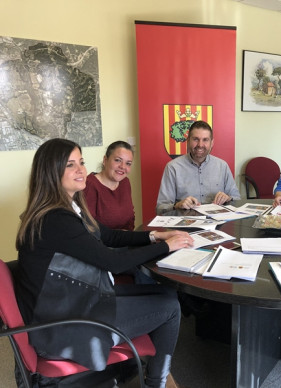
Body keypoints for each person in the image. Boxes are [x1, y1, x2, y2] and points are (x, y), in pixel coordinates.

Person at [15, 138, 195, 388]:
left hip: (73, 301)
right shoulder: (56, 220)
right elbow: (111, 261)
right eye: (70, 165)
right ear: (51, 172)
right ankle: (156, 382)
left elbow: (109, 235)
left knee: (165, 292)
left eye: (81, 162)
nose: (81, 170)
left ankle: (137, 366)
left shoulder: (69, 207)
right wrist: (166, 246)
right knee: (170, 307)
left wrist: (155, 235)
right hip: (65, 322)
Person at [156, 120, 241, 214]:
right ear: (188, 141)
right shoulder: (173, 168)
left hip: (217, 223)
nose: (200, 145)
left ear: (212, 143)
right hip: (185, 224)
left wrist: (228, 198)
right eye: (196, 139)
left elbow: (237, 199)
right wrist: (178, 205)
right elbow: (160, 208)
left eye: (205, 140)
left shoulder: (222, 166)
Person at [84, 140, 135, 230]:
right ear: (105, 160)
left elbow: (130, 218)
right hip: (102, 243)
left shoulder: (125, 182)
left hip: (126, 240)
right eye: (118, 160)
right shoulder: (90, 185)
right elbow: (89, 229)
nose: (123, 166)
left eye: (128, 163)